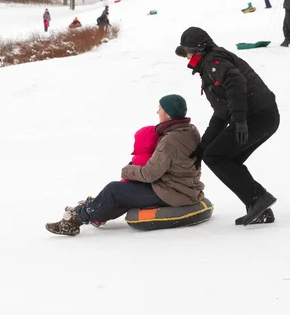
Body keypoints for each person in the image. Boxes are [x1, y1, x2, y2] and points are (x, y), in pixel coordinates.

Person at [46, 95, 204, 236]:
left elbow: (150, 174)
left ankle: (75, 221)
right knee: (123, 191)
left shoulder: (170, 140)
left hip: (172, 192)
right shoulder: (190, 130)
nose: (157, 112)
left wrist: (127, 170)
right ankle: (94, 210)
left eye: (160, 109)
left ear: (168, 113)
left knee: (113, 190)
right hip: (184, 187)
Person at [175, 27, 278, 226]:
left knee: (217, 157)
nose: (186, 55)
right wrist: (203, 146)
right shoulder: (208, 67)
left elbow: (236, 82)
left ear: (199, 48)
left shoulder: (214, 61)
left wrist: (239, 121)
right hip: (261, 117)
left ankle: (259, 199)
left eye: (188, 50)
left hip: (258, 117)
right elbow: (221, 113)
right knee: (223, 158)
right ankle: (259, 208)